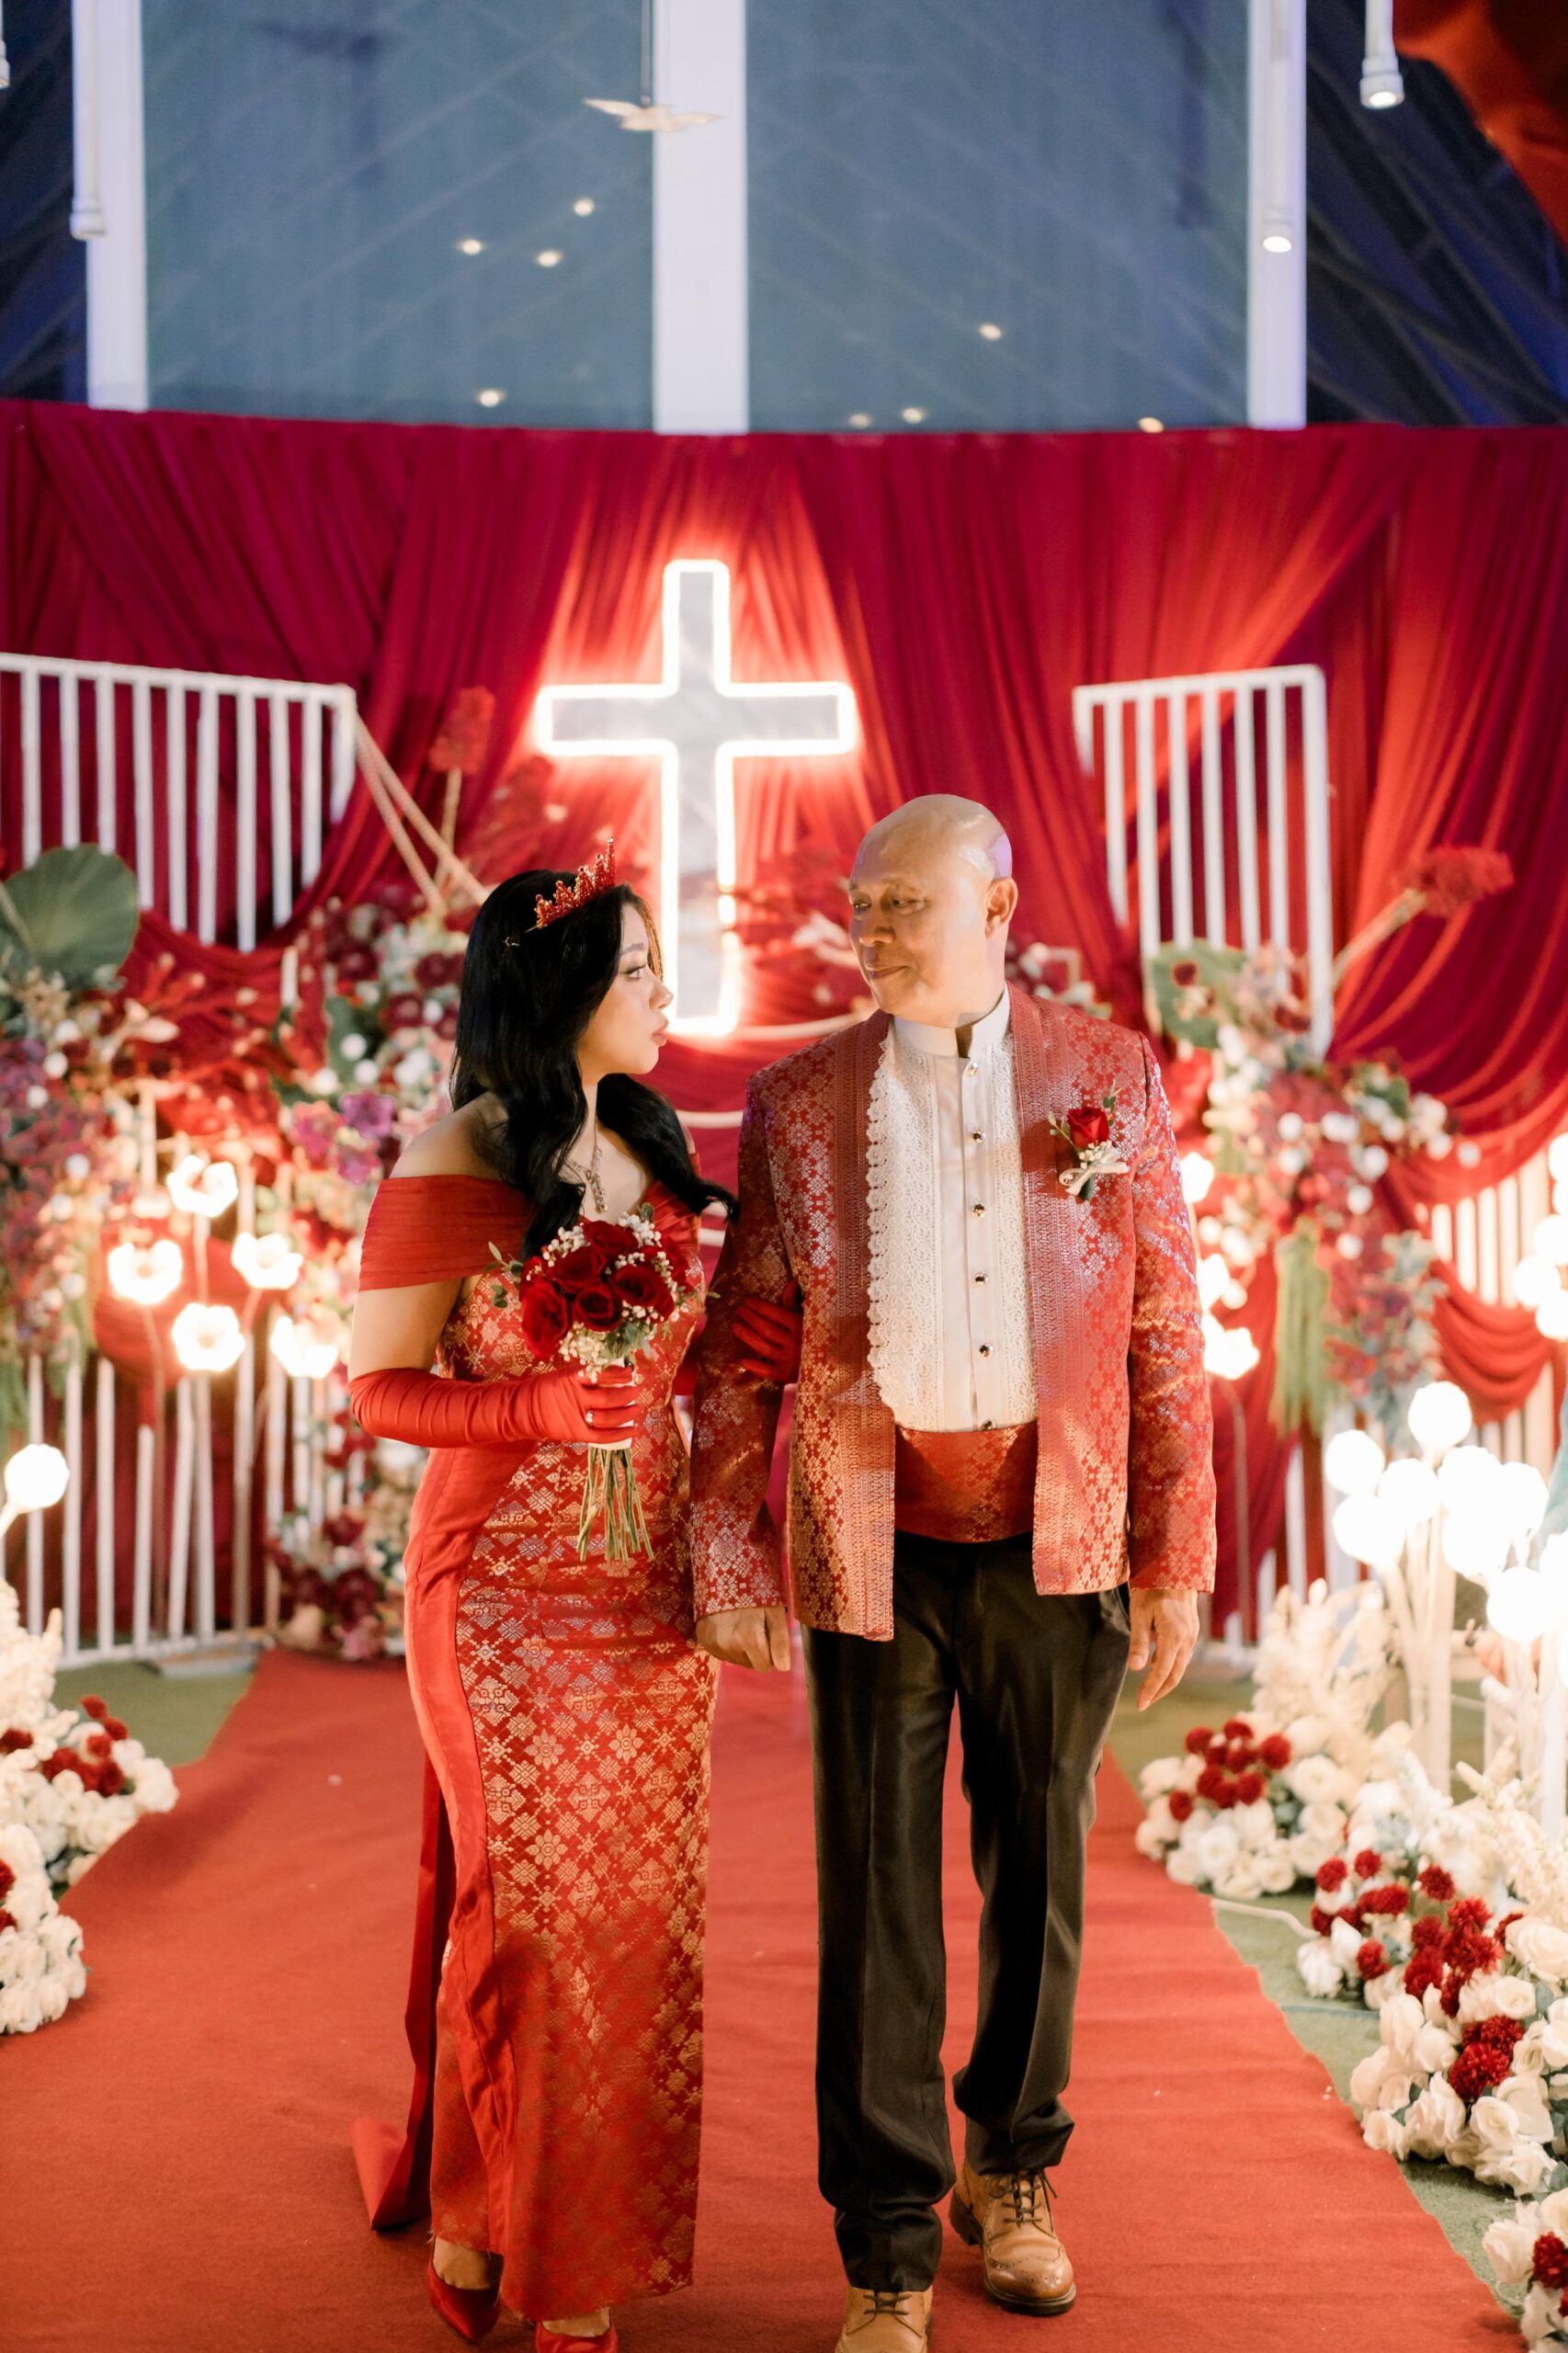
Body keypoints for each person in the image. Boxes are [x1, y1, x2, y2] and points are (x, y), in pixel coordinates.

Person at [688, 795, 1216, 2353]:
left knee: (1041, 1870)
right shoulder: (796, 1102)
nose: (871, 928)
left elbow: (1164, 1329)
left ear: (994, 907)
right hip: (874, 1538)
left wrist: (1172, 1554)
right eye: (861, 905)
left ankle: (1014, 2166)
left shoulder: (1105, 1074)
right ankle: (887, 2247)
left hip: (1059, 1536)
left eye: (902, 904)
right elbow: (739, 1348)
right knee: (873, 1890)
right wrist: (728, 1546)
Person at [347, 849, 793, 2350]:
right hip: (499, 1592)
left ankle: (513, 2221)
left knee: (629, 1927)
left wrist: (753, 1359)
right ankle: (531, 2253)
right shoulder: (457, 1158)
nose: (666, 994)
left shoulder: (651, 1141)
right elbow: (378, 1387)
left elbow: (691, 1361)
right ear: (559, 990)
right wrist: (532, 1409)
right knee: (528, 1918)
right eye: (639, 970)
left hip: (644, 1587)